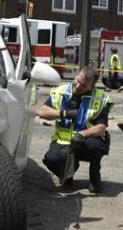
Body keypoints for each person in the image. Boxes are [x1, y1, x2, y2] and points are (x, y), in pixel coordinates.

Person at [38, 66, 114, 194]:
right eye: (77, 80)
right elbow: (42, 112)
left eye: (83, 85)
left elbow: (101, 128)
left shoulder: (100, 99)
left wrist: (82, 134)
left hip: (85, 142)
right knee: (50, 160)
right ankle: (68, 172)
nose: (78, 86)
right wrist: (63, 113)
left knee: (94, 146)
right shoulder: (60, 91)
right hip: (64, 142)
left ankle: (95, 179)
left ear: (91, 87)